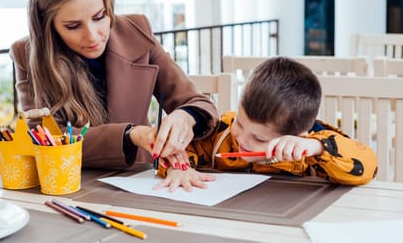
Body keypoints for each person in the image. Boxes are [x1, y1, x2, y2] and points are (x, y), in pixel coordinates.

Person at [10, 0, 218, 169]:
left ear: (109, 6)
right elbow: (44, 141)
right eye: (73, 26)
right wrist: (130, 135)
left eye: (99, 17)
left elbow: (200, 103)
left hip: (141, 180)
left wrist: (186, 116)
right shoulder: (26, 54)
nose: (92, 36)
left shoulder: (136, 31)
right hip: (71, 185)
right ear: (48, 26)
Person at [154, 56, 378, 191]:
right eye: (240, 123)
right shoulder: (221, 133)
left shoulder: (311, 148)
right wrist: (179, 168)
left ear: (299, 135)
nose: (241, 138)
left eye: (259, 138)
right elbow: (181, 149)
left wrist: (317, 148)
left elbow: (369, 166)